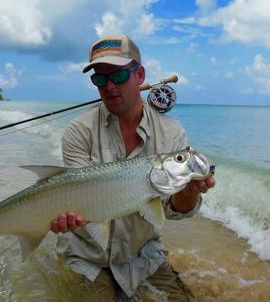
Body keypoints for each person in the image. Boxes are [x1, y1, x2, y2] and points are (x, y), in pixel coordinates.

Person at [50, 35, 215, 301]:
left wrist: (192, 191)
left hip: (143, 256)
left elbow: (173, 211)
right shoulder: (79, 131)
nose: (109, 86)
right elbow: (79, 199)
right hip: (87, 256)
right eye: (100, 79)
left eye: (118, 76)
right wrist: (67, 216)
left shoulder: (172, 134)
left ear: (139, 75)